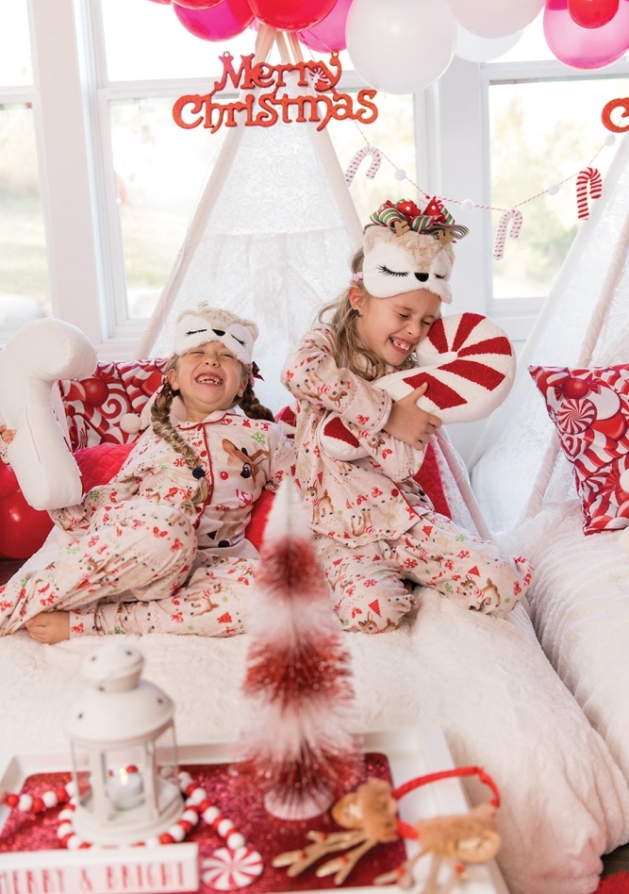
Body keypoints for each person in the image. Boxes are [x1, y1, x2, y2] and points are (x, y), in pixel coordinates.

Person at [281, 198, 531, 633]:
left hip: (406, 520)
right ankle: (363, 581)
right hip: (337, 532)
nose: (415, 331)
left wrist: (401, 419)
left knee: (503, 585)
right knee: (374, 614)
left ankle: (419, 569)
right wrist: (386, 413)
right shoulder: (326, 345)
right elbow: (298, 372)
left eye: (428, 320)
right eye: (403, 314)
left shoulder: (416, 373)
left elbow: (403, 463)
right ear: (359, 298)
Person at [0, 304, 294, 643]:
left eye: (226, 356)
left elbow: (302, 491)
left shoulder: (265, 436)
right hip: (143, 546)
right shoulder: (156, 437)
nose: (211, 360)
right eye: (198, 352)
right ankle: (14, 605)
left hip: (209, 571)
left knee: (278, 595)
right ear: (172, 378)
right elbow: (108, 502)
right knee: (166, 531)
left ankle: (96, 621)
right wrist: (20, 451)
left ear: (243, 383)